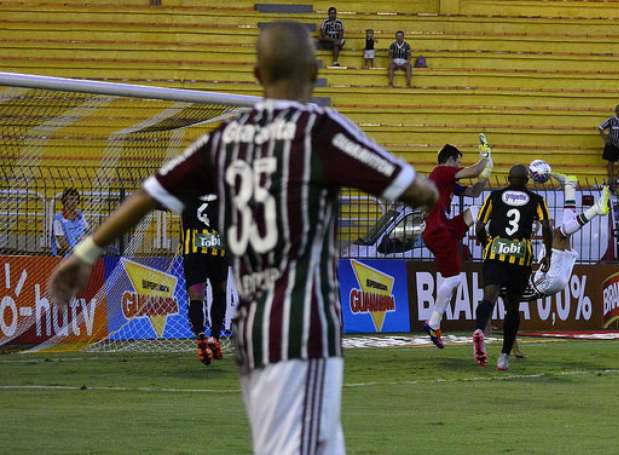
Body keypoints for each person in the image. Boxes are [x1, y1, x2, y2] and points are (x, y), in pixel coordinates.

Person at [48, 21, 438, 454]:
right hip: (301, 327)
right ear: (313, 71)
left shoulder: (225, 139)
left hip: (254, 329)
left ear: (257, 76)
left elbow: (148, 194)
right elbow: (418, 191)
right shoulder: (320, 131)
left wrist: (85, 252)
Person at [473, 165, 551, 368]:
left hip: (495, 252)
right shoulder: (536, 200)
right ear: (527, 180)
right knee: (513, 307)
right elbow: (546, 227)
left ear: (508, 178)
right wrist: (548, 254)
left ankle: (480, 329)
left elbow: (479, 226)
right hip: (520, 256)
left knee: (489, 296)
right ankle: (504, 357)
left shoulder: (494, 197)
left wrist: (486, 244)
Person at [421, 142, 491, 349]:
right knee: (453, 279)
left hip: (445, 229)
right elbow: (474, 170)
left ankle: (434, 323)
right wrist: (485, 156)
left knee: (476, 210)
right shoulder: (442, 171)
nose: (459, 165)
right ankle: (433, 323)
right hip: (439, 231)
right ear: (450, 160)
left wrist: (487, 173)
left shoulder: (444, 181)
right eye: (457, 161)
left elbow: (474, 192)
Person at [521, 175, 610, 306]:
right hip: (544, 282)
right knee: (558, 234)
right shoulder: (505, 286)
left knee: (563, 233)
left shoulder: (501, 284)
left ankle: (570, 187)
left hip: (549, 280)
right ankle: (596, 209)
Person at [179, 193, 229, 365]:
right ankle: (215, 336)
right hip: (218, 248)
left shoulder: (185, 196)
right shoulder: (225, 195)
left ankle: (200, 335)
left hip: (193, 249)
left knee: (196, 297)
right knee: (220, 293)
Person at [51, 188, 89, 256]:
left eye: (76, 199)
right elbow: (62, 242)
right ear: (64, 201)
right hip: (65, 255)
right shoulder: (58, 219)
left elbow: (86, 233)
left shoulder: (80, 216)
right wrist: (75, 252)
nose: (74, 202)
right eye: (71, 199)